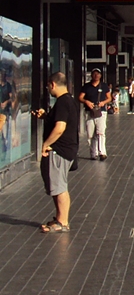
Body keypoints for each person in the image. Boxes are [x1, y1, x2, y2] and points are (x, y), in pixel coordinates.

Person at [33, 72, 78, 233]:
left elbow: (60, 128)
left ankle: (62, 222)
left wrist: (45, 144)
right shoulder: (69, 101)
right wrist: (46, 116)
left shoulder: (62, 102)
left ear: (52, 84)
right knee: (57, 185)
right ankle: (59, 218)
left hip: (59, 151)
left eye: (48, 86)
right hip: (65, 149)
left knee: (59, 186)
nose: (48, 89)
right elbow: (59, 122)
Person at [78, 68, 111, 160]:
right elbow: (80, 97)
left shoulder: (104, 86)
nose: (96, 75)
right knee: (90, 133)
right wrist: (86, 101)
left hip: (101, 111)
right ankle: (93, 153)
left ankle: (102, 152)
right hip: (89, 112)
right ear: (91, 75)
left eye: (98, 74)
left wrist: (103, 103)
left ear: (100, 75)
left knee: (100, 132)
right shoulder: (86, 86)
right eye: (94, 74)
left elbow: (109, 98)